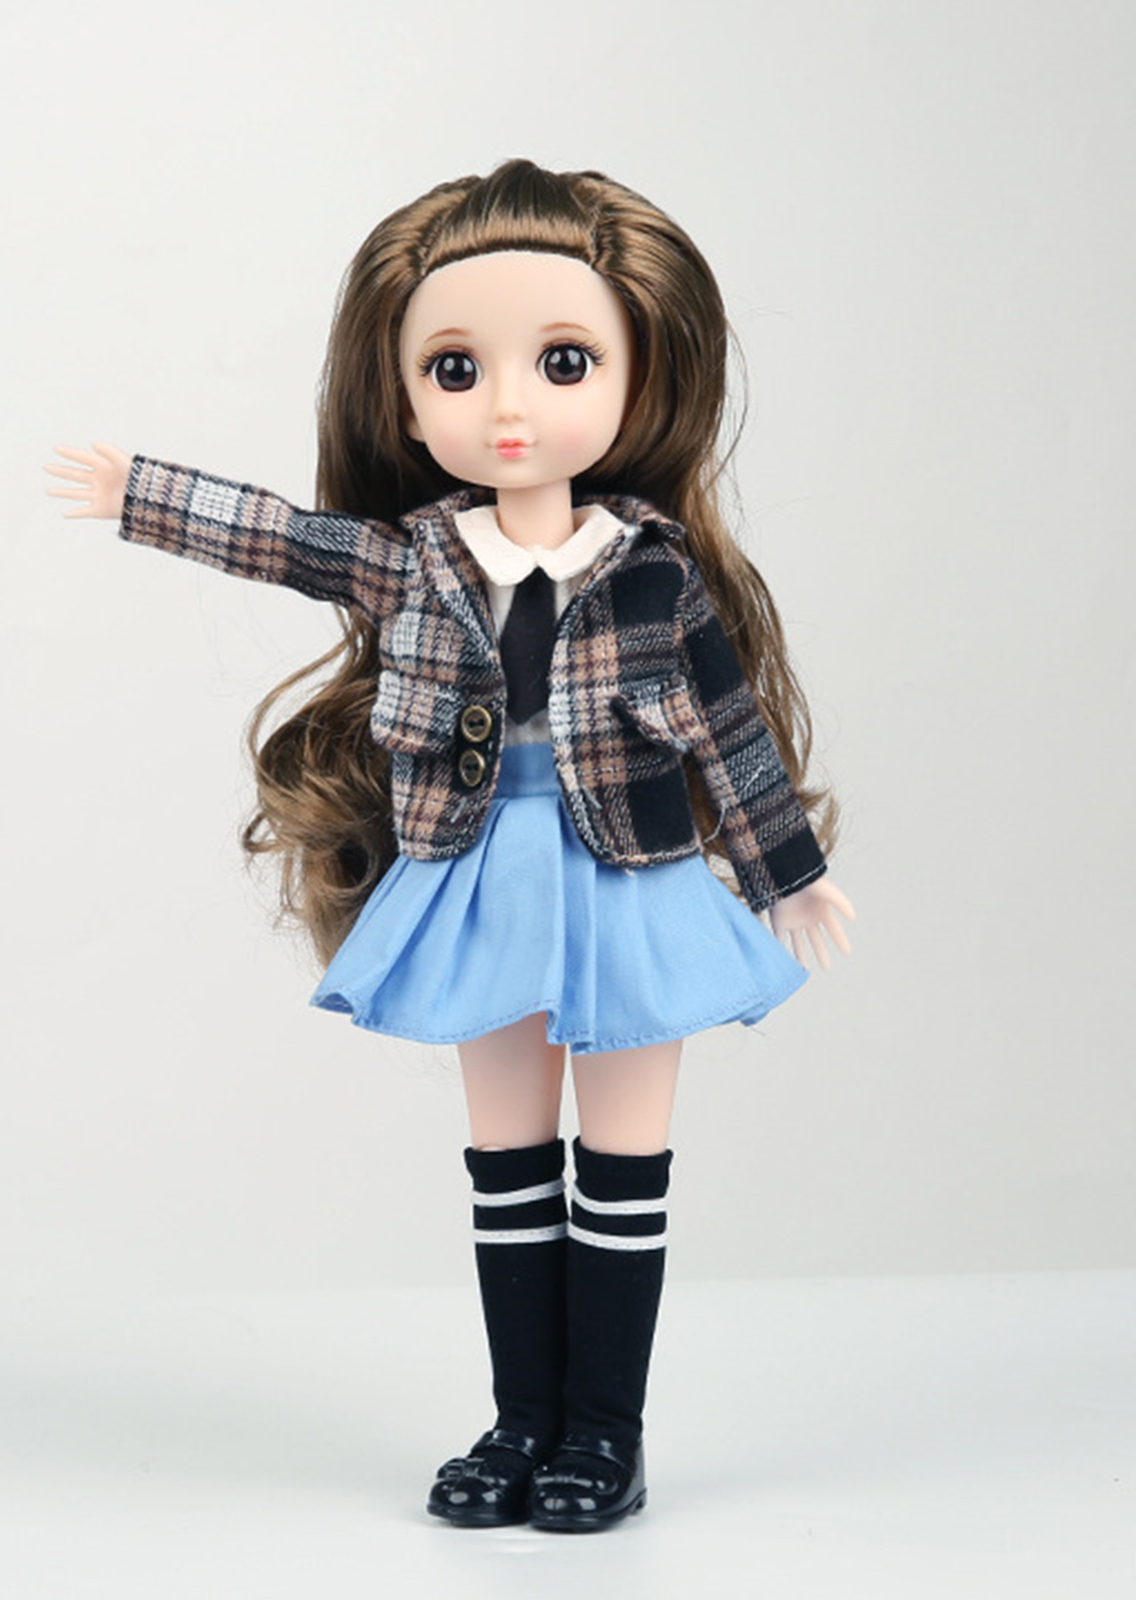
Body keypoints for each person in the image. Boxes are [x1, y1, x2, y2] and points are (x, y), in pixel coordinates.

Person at [47, 159, 855, 1532]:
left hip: (628, 874)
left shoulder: (653, 570)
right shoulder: (416, 556)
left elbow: (727, 726)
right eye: (457, 369)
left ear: (640, 374)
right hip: (480, 869)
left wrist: (791, 874)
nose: (510, 407)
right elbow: (286, 541)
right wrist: (144, 494)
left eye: (563, 360)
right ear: (405, 397)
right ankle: (521, 1421)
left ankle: (605, 1435)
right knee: (508, 1156)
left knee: (624, 1161)